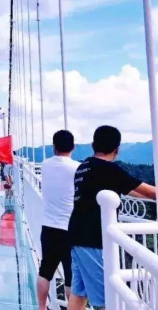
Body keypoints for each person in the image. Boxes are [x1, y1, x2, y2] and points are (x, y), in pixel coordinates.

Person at [67, 126, 157, 310]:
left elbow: (129, 188)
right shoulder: (108, 169)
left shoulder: (85, 166)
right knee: (108, 299)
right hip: (93, 240)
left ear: (93, 145)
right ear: (117, 149)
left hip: (76, 236)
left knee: (79, 294)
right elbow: (149, 192)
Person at [37, 130, 79, 310]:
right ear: (73, 147)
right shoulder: (77, 168)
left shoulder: (45, 165)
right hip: (70, 228)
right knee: (71, 276)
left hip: (48, 227)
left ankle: (41, 307)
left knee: (45, 270)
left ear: (54, 147)